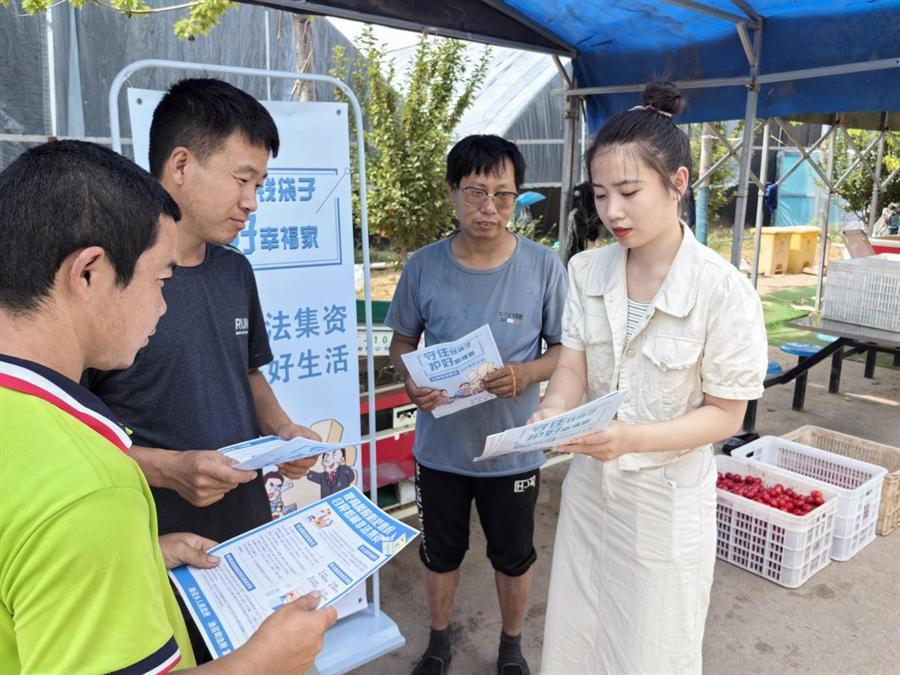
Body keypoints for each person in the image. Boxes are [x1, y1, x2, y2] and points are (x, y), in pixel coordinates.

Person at [0, 140, 336, 674]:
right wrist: (260, 663)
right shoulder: (91, 489)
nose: (162, 306)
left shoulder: (30, 428)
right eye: (159, 280)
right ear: (88, 273)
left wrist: (144, 554)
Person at [534, 82, 768, 674]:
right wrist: (552, 409)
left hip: (666, 506)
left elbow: (724, 414)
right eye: (601, 193)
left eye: (630, 191)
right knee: (578, 639)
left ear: (679, 183)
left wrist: (629, 439)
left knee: (651, 651)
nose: (612, 211)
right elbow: (572, 364)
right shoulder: (587, 269)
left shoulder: (722, 290)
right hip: (592, 495)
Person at [84, 78, 321, 662]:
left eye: (260, 185)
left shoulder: (234, 271)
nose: (252, 202)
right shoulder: (106, 283)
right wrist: (168, 470)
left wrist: (284, 431)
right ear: (182, 165)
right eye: (243, 179)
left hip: (249, 525)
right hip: (156, 544)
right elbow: (74, 443)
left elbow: (247, 372)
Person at [386, 135, 567, 675]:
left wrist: (525, 374)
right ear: (452, 194)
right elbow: (399, 343)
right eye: (475, 193)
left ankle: (511, 646)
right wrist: (411, 379)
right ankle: (439, 641)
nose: (489, 209)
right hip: (441, 449)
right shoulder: (423, 266)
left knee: (514, 555)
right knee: (440, 552)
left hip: (512, 449)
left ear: (518, 198)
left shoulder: (543, 266)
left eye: (504, 196)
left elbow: (563, 351)